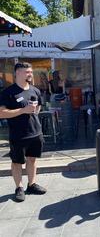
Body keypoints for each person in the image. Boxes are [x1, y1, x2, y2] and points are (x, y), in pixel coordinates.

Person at [0, 62, 47, 202]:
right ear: (17, 73)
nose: (30, 74)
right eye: (27, 72)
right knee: (17, 162)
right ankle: (19, 188)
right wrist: (22, 111)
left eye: (31, 72)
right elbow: (1, 113)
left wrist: (32, 113)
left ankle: (31, 184)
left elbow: (38, 108)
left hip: (35, 132)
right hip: (18, 134)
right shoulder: (8, 93)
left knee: (32, 159)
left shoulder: (35, 90)